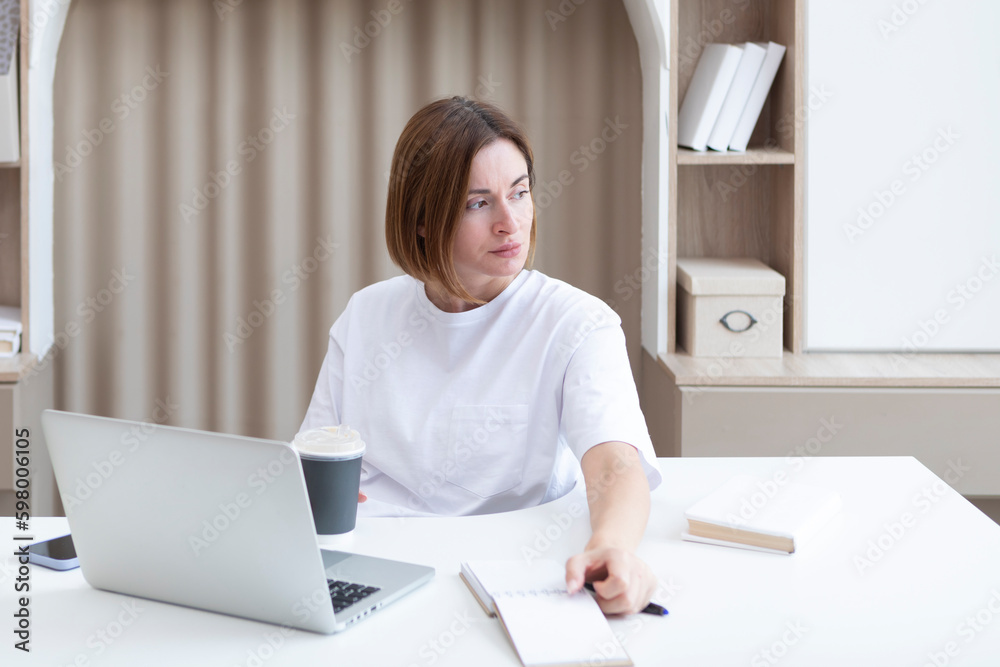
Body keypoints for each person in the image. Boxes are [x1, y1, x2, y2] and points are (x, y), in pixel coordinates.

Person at [298, 96, 662, 615]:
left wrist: (613, 547)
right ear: (423, 220)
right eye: (478, 203)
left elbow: (615, 463)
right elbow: (310, 460)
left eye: (520, 193)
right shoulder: (366, 315)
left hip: (505, 577)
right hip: (373, 569)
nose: (510, 223)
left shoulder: (575, 323)